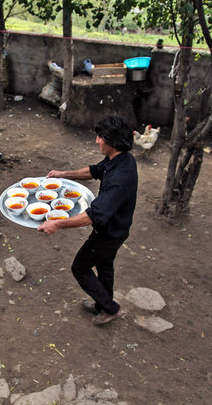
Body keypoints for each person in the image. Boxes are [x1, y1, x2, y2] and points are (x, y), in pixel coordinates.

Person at [38, 116, 138, 325]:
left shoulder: (121, 176)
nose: (96, 141)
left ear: (110, 140)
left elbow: (94, 215)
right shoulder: (120, 158)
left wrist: (56, 223)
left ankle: (110, 308)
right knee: (105, 266)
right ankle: (103, 304)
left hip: (109, 234)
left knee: (80, 267)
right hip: (116, 229)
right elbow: (94, 171)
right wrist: (62, 174)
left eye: (100, 137)